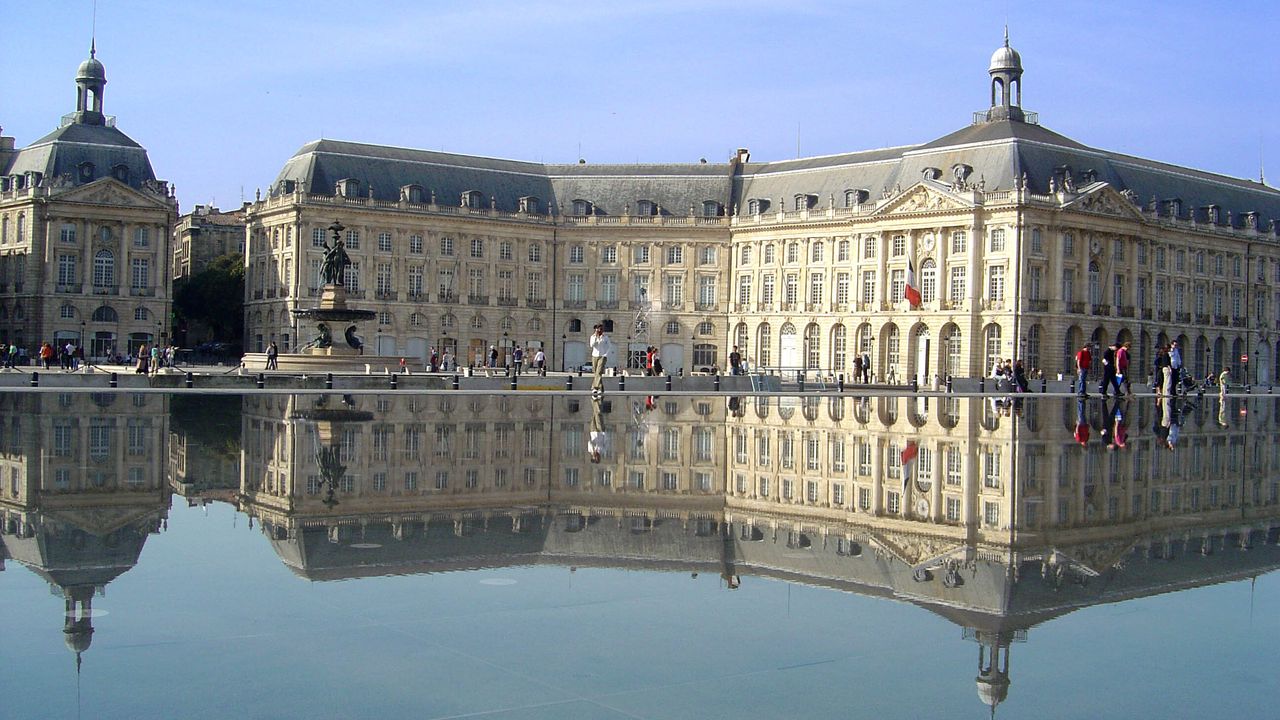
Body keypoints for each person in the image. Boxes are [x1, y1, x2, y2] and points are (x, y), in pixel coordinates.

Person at [589, 324, 612, 395]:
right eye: (598, 329)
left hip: (602, 356)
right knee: (596, 372)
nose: (600, 331)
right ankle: (601, 388)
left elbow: (610, 346)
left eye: (601, 329)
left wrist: (606, 354)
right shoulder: (592, 337)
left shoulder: (605, 337)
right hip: (594, 355)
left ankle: (595, 387)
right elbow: (592, 345)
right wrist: (596, 338)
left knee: (599, 372)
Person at [588, 396, 611, 463]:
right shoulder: (603, 450)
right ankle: (597, 399)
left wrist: (593, 450)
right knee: (598, 414)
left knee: (594, 414)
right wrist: (604, 432)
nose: (597, 457)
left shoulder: (590, 450)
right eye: (598, 458)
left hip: (593, 431)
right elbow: (607, 440)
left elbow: (590, 442)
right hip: (600, 431)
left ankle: (595, 399)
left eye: (595, 457)